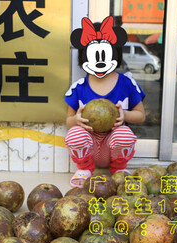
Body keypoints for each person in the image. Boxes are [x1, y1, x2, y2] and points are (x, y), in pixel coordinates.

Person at [64, 17, 145, 187]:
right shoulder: (79, 87)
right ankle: (84, 169)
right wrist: (76, 120)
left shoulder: (126, 83)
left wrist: (125, 115)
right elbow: (68, 121)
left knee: (125, 134)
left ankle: (119, 170)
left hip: (112, 146)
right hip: (90, 148)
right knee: (74, 134)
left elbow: (141, 116)